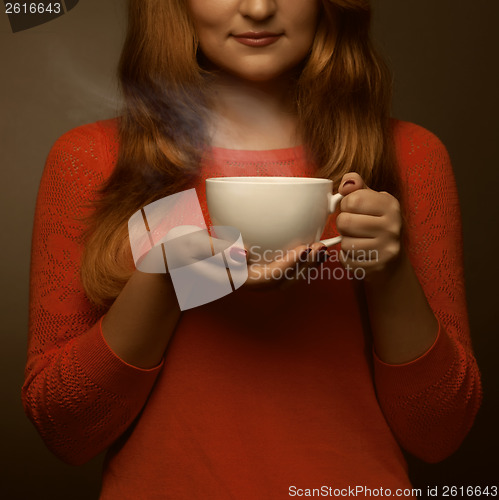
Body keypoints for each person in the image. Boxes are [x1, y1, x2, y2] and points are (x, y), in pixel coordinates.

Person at [22, 0, 482, 498]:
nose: (259, 8)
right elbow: (65, 432)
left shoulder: (406, 158)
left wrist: (389, 272)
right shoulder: (96, 161)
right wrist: (168, 279)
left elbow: (439, 435)